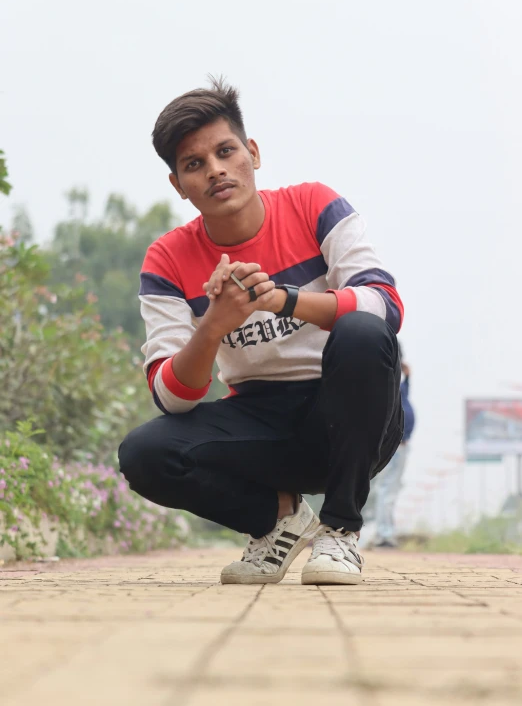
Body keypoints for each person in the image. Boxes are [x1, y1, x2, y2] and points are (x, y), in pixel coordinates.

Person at [118, 77, 404, 586]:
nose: (216, 171)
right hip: (259, 420)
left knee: (362, 331)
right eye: (194, 164)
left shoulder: (313, 205)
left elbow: (385, 306)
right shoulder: (167, 258)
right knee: (144, 454)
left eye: (226, 152)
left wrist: (283, 299)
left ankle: (339, 531)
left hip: (353, 416)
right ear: (178, 185)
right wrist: (214, 326)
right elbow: (169, 395)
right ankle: (278, 521)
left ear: (252, 152)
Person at [373, 351, 415, 548]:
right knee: (386, 490)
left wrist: (408, 377)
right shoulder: (386, 377)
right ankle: (384, 535)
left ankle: (386, 532)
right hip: (393, 445)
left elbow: (404, 396)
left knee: (391, 490)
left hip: (400, 444)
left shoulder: (397, 380)